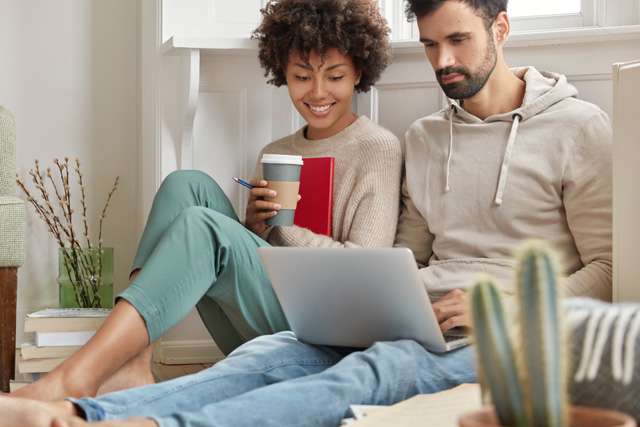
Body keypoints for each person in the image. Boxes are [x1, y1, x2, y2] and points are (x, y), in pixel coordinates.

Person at [1, 0, 613, 425]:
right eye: (429, 43)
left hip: (501, 323)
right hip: (417, 314)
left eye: (459, 40)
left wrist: (507, 306)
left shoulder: (579, 127)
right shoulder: (428, 137)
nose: (441, 59)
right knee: (266, 352)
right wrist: (384, 298)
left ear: (501, 28)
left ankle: (98, 409)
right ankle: (88, 405)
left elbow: (610, 268)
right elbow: (410, 258)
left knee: (354, 373)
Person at [11, 0, 401, 403]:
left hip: (329, 341)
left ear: (358, 71)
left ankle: (76, 376)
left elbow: (363, 272)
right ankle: (132, 363)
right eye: (301, 76)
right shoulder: (277, 149)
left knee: (203, 226)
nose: (317, 92)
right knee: (186, 184)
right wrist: (255, 228)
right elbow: (259, 262)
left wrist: (281, 228)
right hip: (272, 322)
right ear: (282, 72)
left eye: (334, 76)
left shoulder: (377, 147)